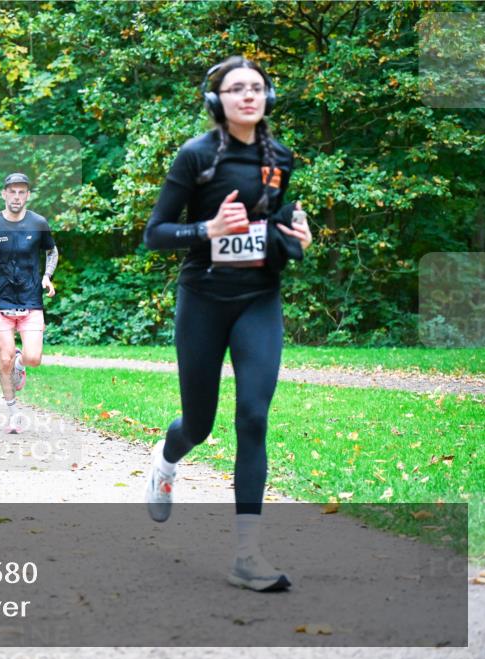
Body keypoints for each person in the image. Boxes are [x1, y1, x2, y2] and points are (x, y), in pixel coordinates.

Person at [142, 56, 312, 592]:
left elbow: (278, 227)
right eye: (235, 89)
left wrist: (297, 239)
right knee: (199, 424)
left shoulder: (278, 157)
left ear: (268, 97)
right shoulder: (196, 156)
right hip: (204, 300)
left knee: (254, 418)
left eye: (256, 88)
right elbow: (156, 233)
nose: (247, 96)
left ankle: (246, 554)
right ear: (217, 101)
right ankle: (167, 460)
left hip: (259, 298)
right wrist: (208, 228)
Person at [0, 172, 59, 434]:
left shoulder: (39, 223)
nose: (17, 196)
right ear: (4, 194)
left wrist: (47, 277)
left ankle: (21, 363)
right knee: (3, 358)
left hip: (30, 299)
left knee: (33, 358)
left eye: (22, 192)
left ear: (27, 195)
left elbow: (52, 251)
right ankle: (13, 413)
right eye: (12, 191)